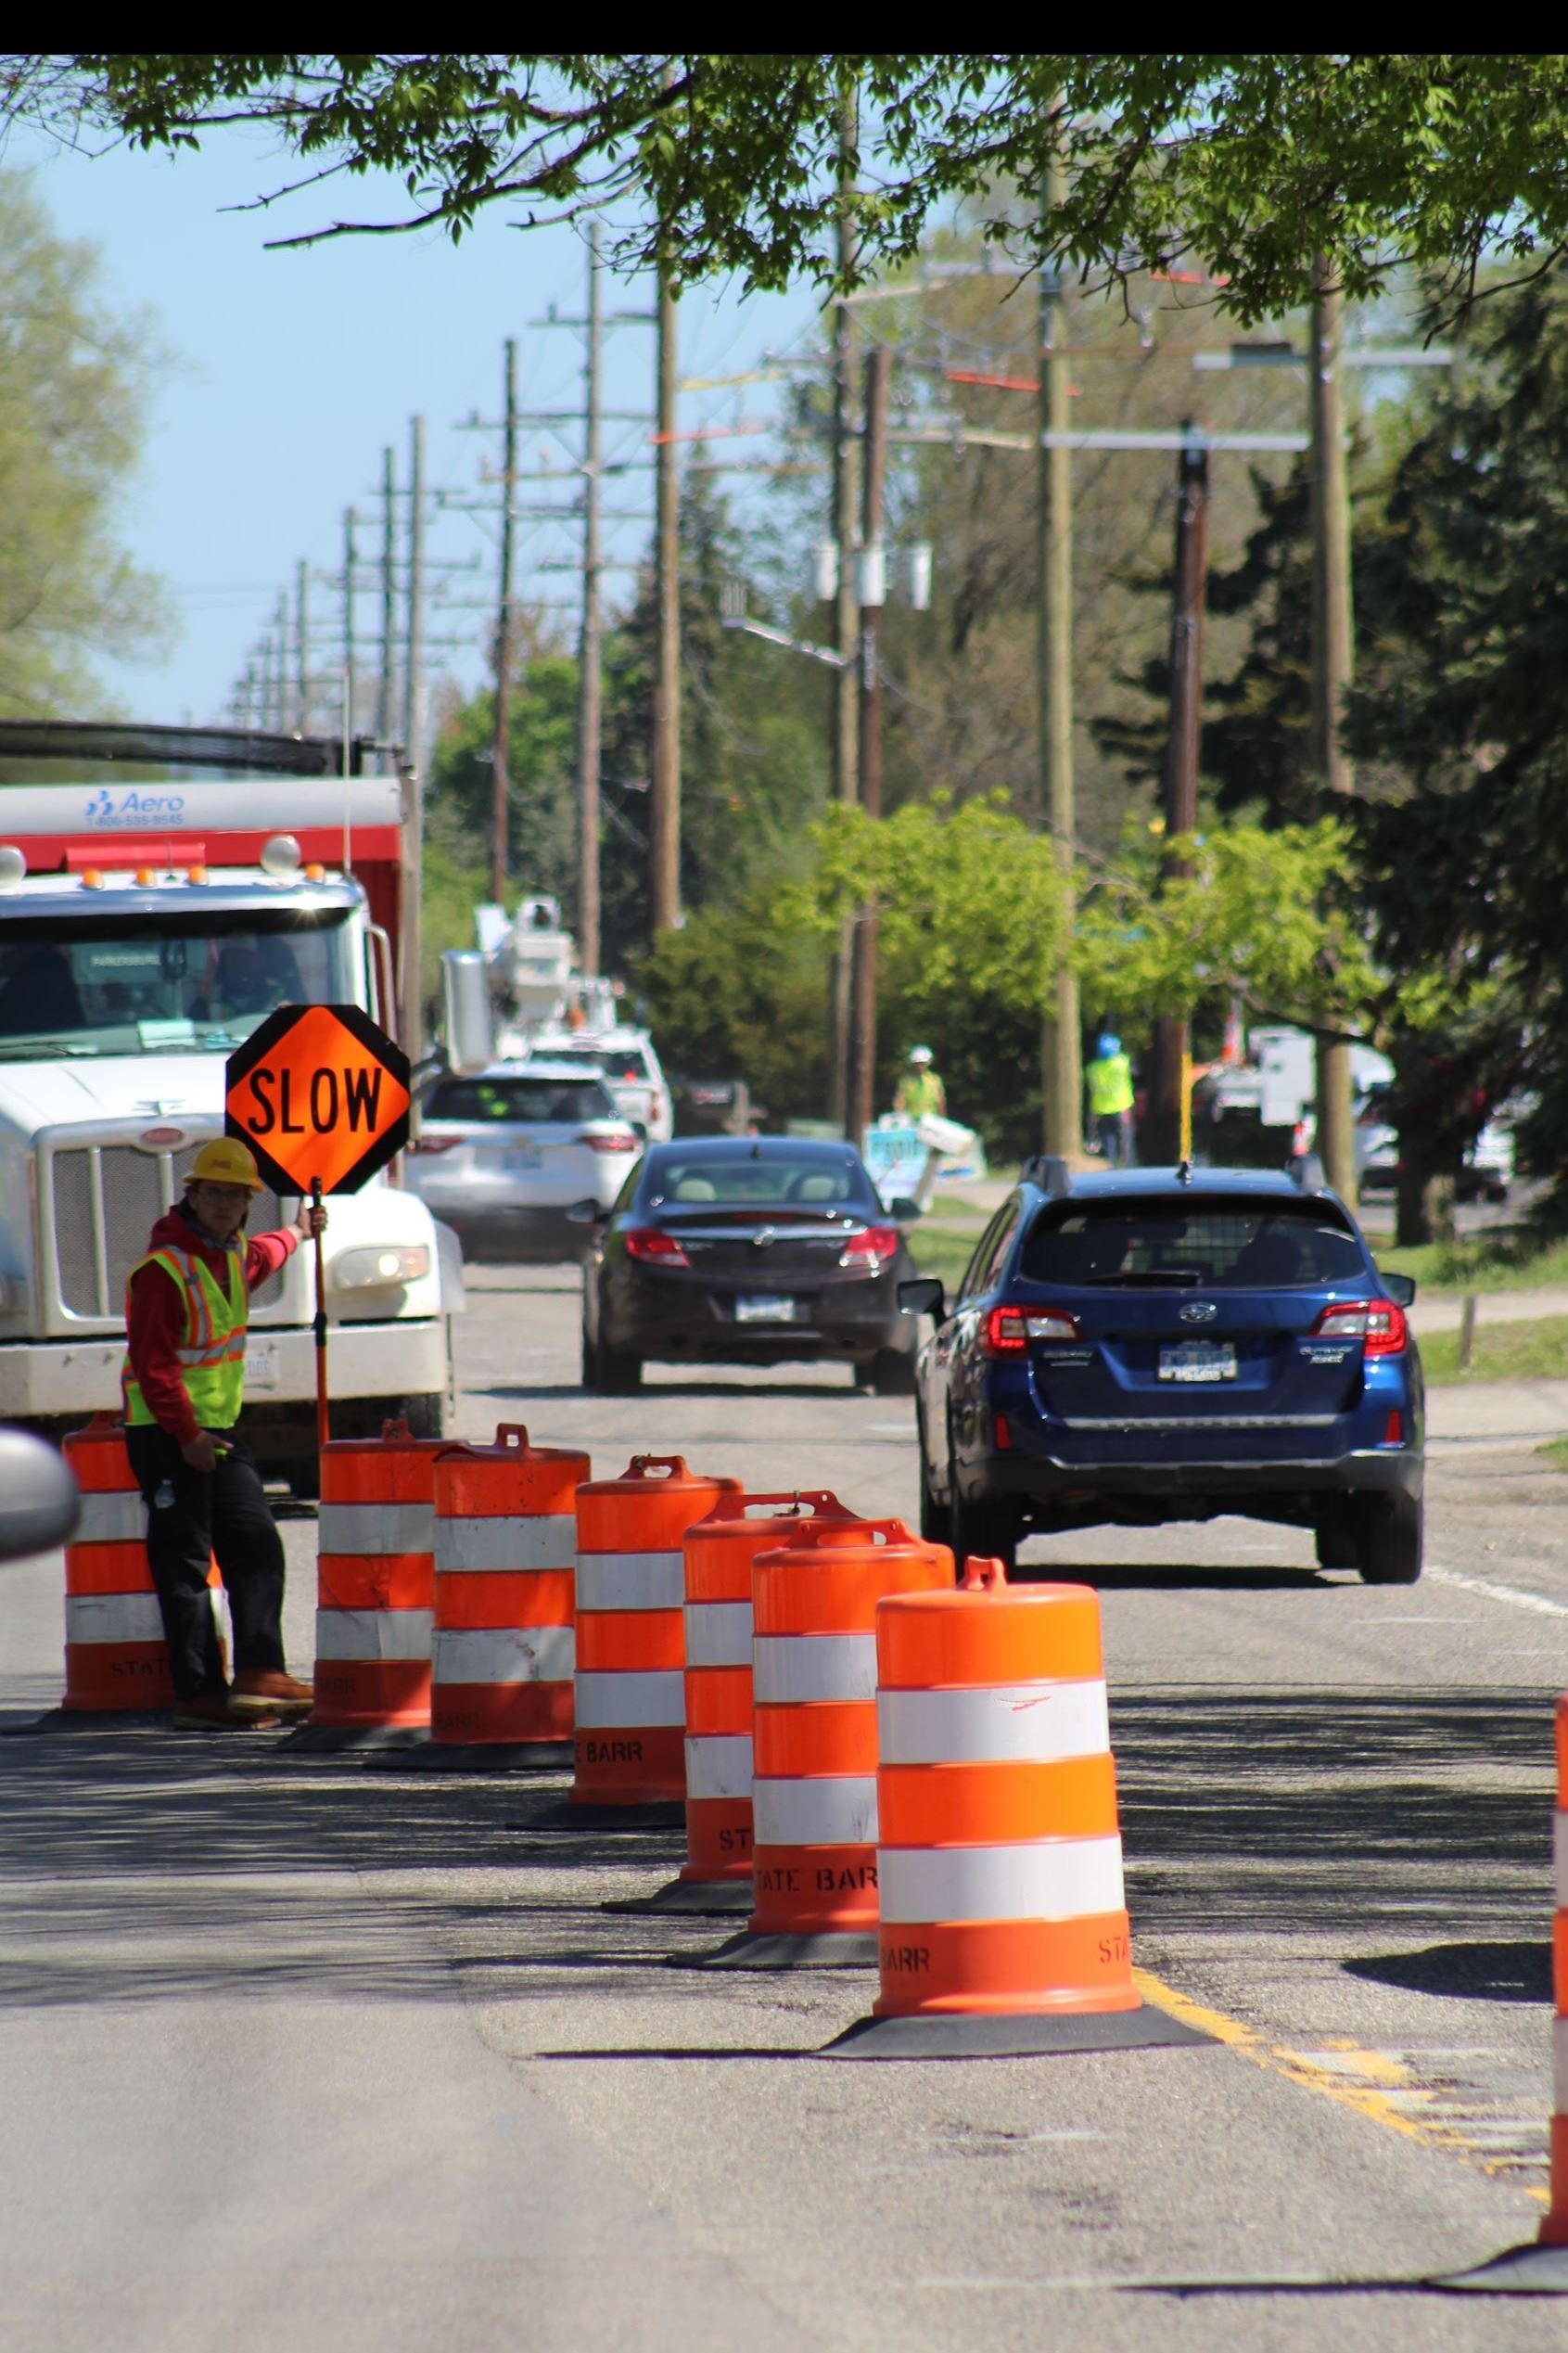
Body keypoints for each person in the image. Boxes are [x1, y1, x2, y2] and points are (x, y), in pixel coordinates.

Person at [121, 1138, 325, 1730]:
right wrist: (186, 1436)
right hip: (166, 1433)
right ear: (193, 1194)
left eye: (236, 1197)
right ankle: (198, 1694)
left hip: (220, 1429)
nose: (225, 1205)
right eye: (215, 1193)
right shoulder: (164, 1270)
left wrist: (299, 1232)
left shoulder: (229, 1253)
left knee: (256, 1542)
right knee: (184, 1563)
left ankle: (261, 1674)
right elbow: (155, 1367)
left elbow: (262, 1256)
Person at [1087, 1032, 1136, 1167]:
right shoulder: (1122, 1063)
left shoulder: (1092, 1068)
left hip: (1101, 1110)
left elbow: (1092, 1089)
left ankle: (1112, 1169)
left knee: (1108, 1143)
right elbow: (1136, 1071)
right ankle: (1127, 1169)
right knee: (1125, 1143)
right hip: (1121, 1108)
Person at [895, 1044, 947, 1121]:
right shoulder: (906, 1080)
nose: (920, 1066)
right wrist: (899, 1118)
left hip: (930, 1120)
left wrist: (942, 1121)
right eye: (917, 1063)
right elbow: (899, 1101)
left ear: (928, 1062)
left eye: (922, 1063)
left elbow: (940, 1102)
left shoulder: (935, 1079)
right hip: (910, 1120)